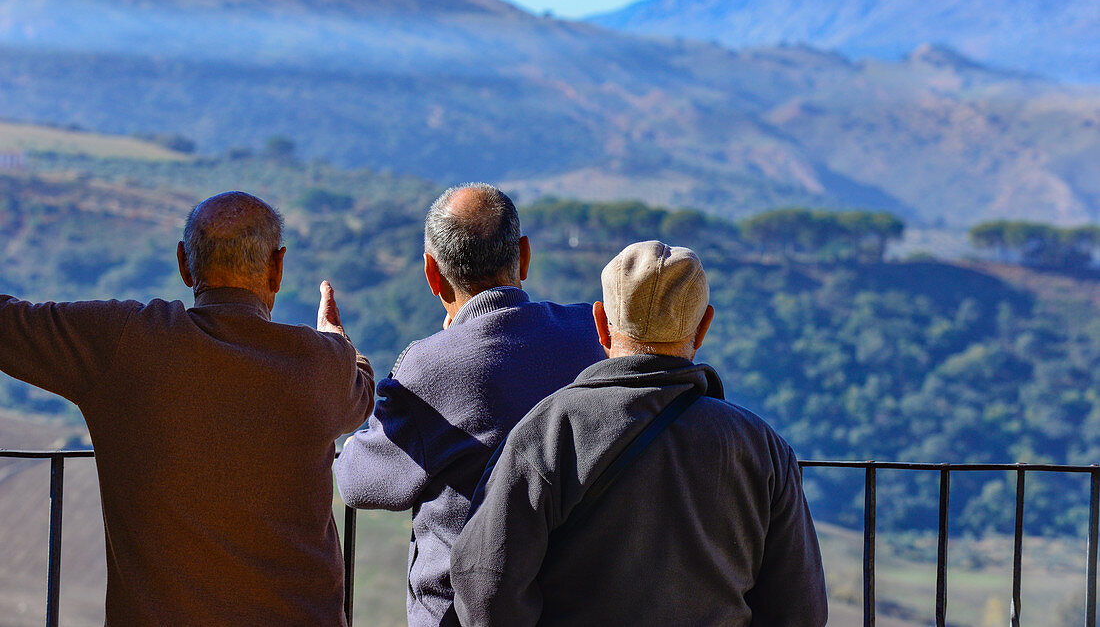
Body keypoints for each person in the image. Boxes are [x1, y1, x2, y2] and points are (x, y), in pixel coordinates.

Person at [0, 191, 374, 626]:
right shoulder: (318, 363)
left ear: (184, 263)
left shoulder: (124, 343)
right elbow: (362, 391)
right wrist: (336, 338)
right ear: (277, 268)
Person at [451, 240, 829, 627]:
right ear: (702, 328)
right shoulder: (762, 449)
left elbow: (486, 584)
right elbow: (802, 613)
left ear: (600, 323)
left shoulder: (549, 431)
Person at [333, 183, 605, 627]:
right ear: (524, 255)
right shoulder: (592, 335)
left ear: (432, 275)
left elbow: (358, 483)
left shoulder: (428, 369)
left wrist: (340, 368)